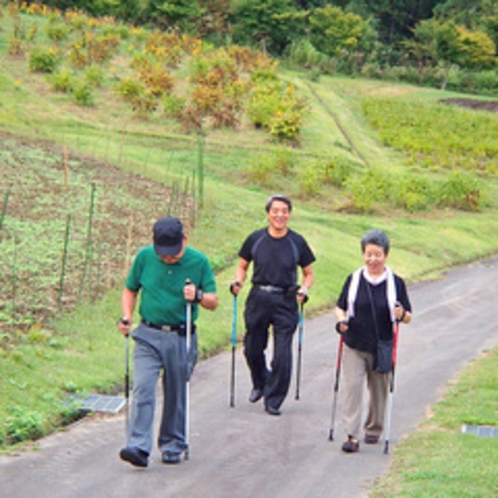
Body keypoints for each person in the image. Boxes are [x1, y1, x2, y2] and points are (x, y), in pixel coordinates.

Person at [117, 216, 218, 467]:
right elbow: (130, 289)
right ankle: (138, 446)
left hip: (181, 336)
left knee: (176, 392)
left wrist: (198, 295)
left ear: (184, 239)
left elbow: (213, 302)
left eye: (173, 253)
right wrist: (127, 317)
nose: (168, 258)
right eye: (163, 253)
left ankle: (173, 444)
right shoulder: (144, 257)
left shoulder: (199, 261)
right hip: (147, 334)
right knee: (142, 387)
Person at [230, 194, 315, 416]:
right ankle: (260, 382)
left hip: (286, 300)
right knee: (252, 348)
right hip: (259, 297)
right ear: (268, 214)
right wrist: (238, 281)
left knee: (282, 355)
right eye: (275, 211)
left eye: (284, 211)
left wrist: (304, 289)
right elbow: (242, 265)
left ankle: (274, 399)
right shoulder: (255, 239)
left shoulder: (297, 242)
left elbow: (308, 274)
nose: (280, 215)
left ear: (289, 214)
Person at [334, 229, 412, 453]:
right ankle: (351, 435)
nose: (372, 259)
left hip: (382, 346)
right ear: (363, 254)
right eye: (368, 254)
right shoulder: (355, 279)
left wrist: (401, 315)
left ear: (386, 255)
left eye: (377, 254)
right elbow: (340, 307)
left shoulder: (396, 283)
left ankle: (374, 428)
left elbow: (408, 316)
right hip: (354, 344)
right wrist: (341, 321)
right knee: (353, 388)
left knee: (379, 391)